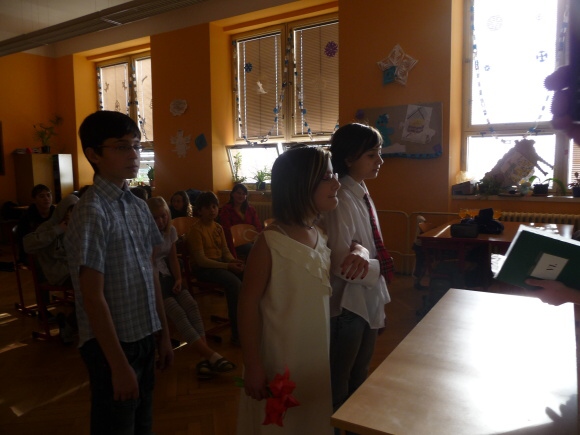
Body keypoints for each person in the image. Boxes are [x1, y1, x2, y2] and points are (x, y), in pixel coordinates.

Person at [236, 146, 369, 434]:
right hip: (279, 357)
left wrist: (360, 249)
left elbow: (347, 252)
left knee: (310, 418)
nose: (336, 184)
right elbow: (247, 306)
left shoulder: (319, 234)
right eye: (327, 178)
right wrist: (253, 365)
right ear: (300, 185)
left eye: (335, 176)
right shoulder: (269, 243)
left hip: (313, 354)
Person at [64, 110, 173, 435]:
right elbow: (92, 297)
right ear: (93, 154)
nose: (134, 154)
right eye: (122, 147)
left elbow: (151, 272)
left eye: (137, 146)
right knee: (116, 425)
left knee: (142, 423)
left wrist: (164, 333)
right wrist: (118, 365)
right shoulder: (91, 212)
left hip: (144, 334)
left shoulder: (138, 206)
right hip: (110, 346)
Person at [324, 123, 394, 416]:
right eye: (372, 154)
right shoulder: (340, 199)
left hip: (366, 297)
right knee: (340, 384)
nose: (380, 160)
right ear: (349, 158)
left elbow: (365, 246)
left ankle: (353, 424)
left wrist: (367, 256)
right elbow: (343, 265)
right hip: (348, 304)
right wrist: (378, 268)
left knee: (359, 375)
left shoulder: (360, 191)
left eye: (379, 153)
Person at [147, 196, 236, 380]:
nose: (160, 221)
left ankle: (205, 357)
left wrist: (179, 278)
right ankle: (210, 355)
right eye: (155, 218)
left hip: (168, 276)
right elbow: (150, 265)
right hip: (153, 281)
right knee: (178, 313)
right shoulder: (146, 235)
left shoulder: (170, 231)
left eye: (163, 216)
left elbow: (172, 258)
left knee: (192, 306)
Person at [185, 191, 244, 345]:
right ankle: (237, 334)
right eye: (207, 207)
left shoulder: (218, 227)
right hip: (203, 269)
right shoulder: (196, 230)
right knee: (234, 283)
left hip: (218, 265)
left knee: (246, 274)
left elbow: (225, 252)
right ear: (199, 211)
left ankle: (245, 323)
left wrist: (234, 261)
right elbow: (201, 261)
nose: (212, 210)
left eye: (214, 206)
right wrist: (228, 266)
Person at [23, 193, 79, 344]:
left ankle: (75, 324)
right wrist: (57, 230)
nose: (73, 215)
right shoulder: (49, 226)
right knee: (90, 290)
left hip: (74, 268)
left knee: (98, 286)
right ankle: (70, 325)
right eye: (70, 211)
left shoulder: (76, 226)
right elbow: (28, 244)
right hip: (58, 273)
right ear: (63, 212)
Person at [219, 183, 263, 258]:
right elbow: (226, 231)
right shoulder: (226, 209)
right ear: (232, 194)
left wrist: (260, 240)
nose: (241, 196)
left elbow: (258, 226)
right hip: (234, 243)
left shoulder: (251, 209)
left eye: (243, 194)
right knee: (254, 249)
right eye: (238, 193)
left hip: (251, 240)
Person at [16, 184, 55, 265]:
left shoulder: (56, 213)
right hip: (32, 252)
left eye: (48, 195)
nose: (46, 199)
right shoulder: (27, 217)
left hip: (52, 249)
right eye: (42, 196)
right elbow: (25, 243)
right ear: (34, 200)